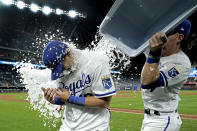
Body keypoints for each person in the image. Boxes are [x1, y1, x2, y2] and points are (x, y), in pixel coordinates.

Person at [41, 41, 116, 131]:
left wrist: (70, 98)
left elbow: (104, 102)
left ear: (68, 53)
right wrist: (55, 100)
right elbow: (66, 100)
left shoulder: (96, 62)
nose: (61, 71)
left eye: (61, 67)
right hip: (68, 126)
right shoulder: (62, 69)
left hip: (95, 126)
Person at [140, 19, 192, 131]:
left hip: (163, 120)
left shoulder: (181, 63)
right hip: (148, 117)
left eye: (166, 33)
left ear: (179, 37)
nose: (160, 36)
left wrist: (154, 53)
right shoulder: (157, 49)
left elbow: (148, 83)